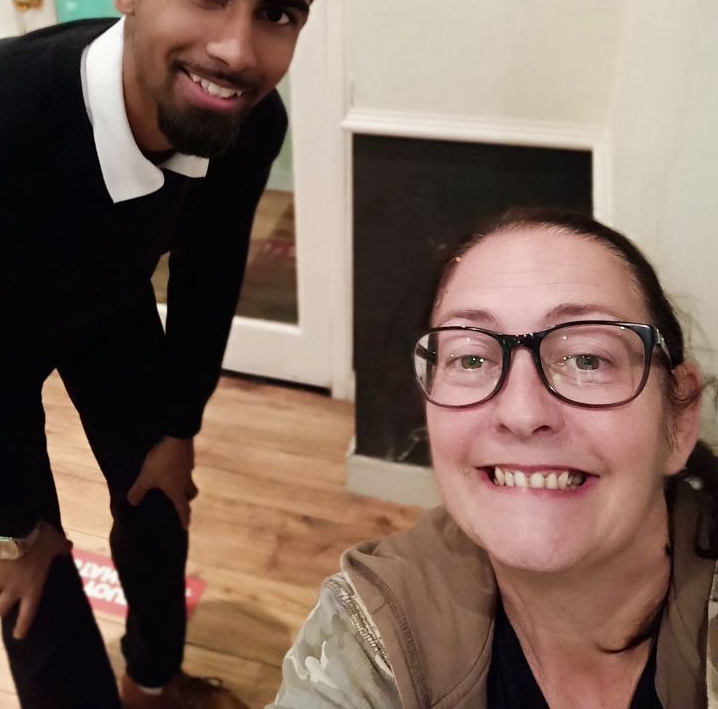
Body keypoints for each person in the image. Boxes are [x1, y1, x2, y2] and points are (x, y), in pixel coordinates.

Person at [0, 0, 338, 709]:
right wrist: (11, 531)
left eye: (278, 13)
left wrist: (179, 421)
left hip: (106, 305)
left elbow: (210, 269)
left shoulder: (246, 123)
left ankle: (154, 682)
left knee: (160, 495)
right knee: (38, 585)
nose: (236, 51)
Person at [270, 208, 717, 708]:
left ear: (679, 419)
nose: (522, 413)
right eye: (472, 359)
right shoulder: (368, 632)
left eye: (587, 359)